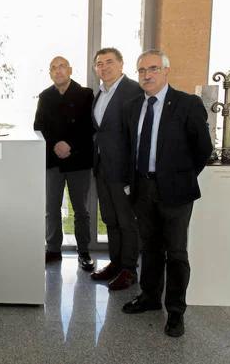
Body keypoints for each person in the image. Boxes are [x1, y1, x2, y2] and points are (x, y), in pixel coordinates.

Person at [121, 49, 212, 337]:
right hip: (143, 187)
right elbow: (130, 147)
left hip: (176, 191)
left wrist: (181, 177)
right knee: (149, 248)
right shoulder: (133, 105)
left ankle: (175, 311)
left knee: (175, 252)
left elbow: (203, 149)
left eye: (153, 69)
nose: (146, 75)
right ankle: (149, 297)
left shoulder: (187, 104)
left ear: (166, 71)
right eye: (141, 71)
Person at [34, 56, 96, 271]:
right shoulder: (45, 96)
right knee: (51, 207)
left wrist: (70, 145)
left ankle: (84, 251)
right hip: (53, 162)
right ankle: (53, 249)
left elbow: (90, 128)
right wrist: (55, 145)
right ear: (50, 73)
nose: (58, 71)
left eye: (61, 67)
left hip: (79, 160)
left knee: (80, 209)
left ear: (70, 69)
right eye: (53, 68)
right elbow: (38, 126)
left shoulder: (86, 94)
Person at [90, 48, 143, 290]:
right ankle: (116, 262)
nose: (104, 67)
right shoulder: (100, 94)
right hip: (102, 168)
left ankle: (129, 270)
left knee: (127, 222)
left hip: (123, 172)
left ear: (121, 64)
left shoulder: (133, 92)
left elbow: (137, 135)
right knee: (110, 219)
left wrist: (132, 175)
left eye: (109, 62)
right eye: (99, 63)